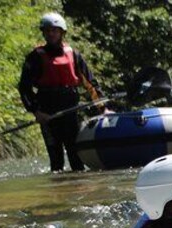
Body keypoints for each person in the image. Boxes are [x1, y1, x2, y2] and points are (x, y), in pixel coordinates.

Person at [18, 12, 106, 172]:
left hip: (70, 112)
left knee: (76, 158)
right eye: (47, 30)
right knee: (56, 161)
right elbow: (24, 88)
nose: (51, 33)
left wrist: (103, 108)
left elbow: (91, 84)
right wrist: (36, 112)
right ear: (43, 33)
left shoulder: (73, 54)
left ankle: (76, 189)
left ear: (62, 32)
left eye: (54, 30)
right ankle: (58, 192)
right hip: (47, 114)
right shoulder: (35, 57)